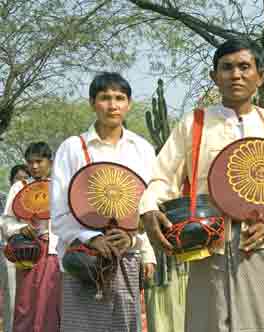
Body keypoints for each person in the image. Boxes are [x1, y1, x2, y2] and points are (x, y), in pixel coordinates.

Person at [139, 38, 264, 332]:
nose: (236, 75)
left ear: (261, 76)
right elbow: (161, 176)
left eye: (245, 67)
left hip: (260, 245)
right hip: (207, 244)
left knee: (262, 325)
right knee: (208, 324)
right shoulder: (193, 124)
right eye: (227, 68)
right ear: (214, 76)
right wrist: (148, 209)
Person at [50, 72, 156, 332]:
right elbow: (59, 210)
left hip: (128, 256)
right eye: (105, 98)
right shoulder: (72, 148)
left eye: (119, 98)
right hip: (84, 259)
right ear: (92, 102)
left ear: (129, 104)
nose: (112, 105)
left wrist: (140, 246)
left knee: (125, 326)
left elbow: (150, 206)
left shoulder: (142, 149)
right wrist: (90, 237)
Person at [2, 143, 61, 332]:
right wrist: (20, 228)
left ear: (50, 162)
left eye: (39, 161)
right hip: (27, 253)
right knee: (25, 304)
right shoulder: (19, 187)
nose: (34, 166)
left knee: (51, 304)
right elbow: (6, 221)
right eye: (30, 162)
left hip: (54, 252)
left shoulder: (61, 186)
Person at [0, 164, 30, 332]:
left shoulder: (36, 198)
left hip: (34, 255)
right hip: (10, 254)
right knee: (11, 299)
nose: (22, 182)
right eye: (18, 179)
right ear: (11, 181)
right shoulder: (5, 200)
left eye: (26, 178)